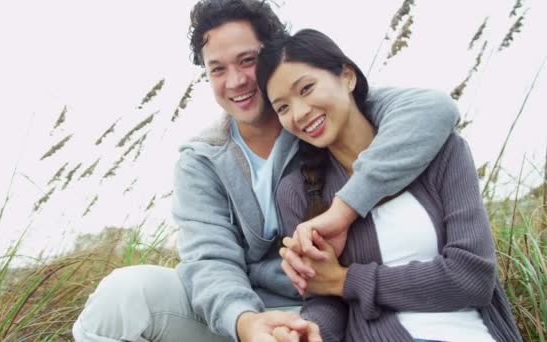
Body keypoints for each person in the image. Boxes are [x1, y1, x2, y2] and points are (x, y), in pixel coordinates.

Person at [72, 1, 462, 341]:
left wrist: (344, 209)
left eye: (247, 60)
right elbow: (209, 261)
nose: (236, 81)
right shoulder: (201, 160)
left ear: (273, 54)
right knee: (121, 297)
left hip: (334, 310)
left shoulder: (322, 113)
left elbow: (433, 109)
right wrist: (245, 323)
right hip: (240, 317)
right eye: (217, 69)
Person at [256, 28, 522, 342]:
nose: (299, 113)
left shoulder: (443, 151)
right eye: (283, 107)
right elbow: (324, 297)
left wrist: (346, 281)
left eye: (307, 88)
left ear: (347, 76)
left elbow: (472, 277)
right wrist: (313, 330)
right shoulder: (298, 190)